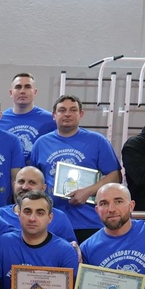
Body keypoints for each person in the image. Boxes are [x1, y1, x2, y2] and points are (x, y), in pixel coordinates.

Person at [29, 95, 122, 243]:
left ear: (81, 114)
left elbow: (115, 176)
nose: (67, 114)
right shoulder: (41, 144)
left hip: (89, 222)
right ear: (54, 115)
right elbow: (33, 180)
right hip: (51, 222)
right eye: (62, 110)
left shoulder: (97, 141)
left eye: (73, 110)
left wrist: (88, 191)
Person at [0, 166, 77, 244]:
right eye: (21, 182)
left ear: (43, 188)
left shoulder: (59, 218)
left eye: (32, 183)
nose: (25, 187)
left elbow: (70, 249)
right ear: (14, 184)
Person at [0, 72, 57, 161]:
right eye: (18, 87)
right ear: (11, 93)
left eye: (27, 87)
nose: (22, 91)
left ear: (35, 92)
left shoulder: (50, 120)